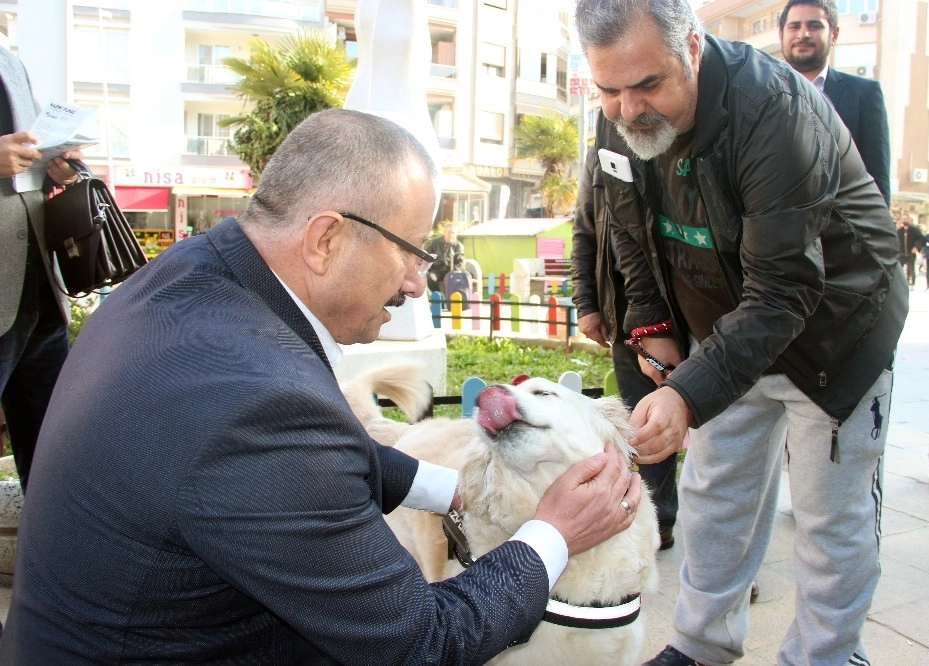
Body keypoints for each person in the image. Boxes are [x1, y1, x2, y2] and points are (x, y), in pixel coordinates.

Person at [0, 109, 643, 664]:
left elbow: (314, 457)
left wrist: (457, 487)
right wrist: (553, 534)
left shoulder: (191, 276)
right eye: (413, 250)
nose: (419, 282)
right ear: (326, 239)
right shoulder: (261, 402)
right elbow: (420, 643)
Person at [574, 1, 907, 664]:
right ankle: (701, 644)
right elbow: (632, 238)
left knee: (828, 519)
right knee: (715, 499)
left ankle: (829, 654)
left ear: (692, 48)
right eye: (608, 89)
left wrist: (689, 393)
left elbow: (784, 292)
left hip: (836, 332)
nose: (629, 110)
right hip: (728, 328)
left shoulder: (775, 111)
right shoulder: (618, 124)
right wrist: (655, 325)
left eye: (648, 85)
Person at [572, 144, 679, 551]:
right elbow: (584, 230)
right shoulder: (602, 147)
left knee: (713, 441)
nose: (625, 104)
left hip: (688, 315)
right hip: (625, 319)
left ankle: (718, 552)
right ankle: (654, 522)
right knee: (645, 429)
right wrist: (587, 304)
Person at [0, 45, 82, 493]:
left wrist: (53, 171)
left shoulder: (13, 61)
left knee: (52, 460)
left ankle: (50, 557)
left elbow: (20, 167)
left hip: (36, 290)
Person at [778, 0, 891, 205]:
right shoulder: (756, 92)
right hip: (770, 228)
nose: (803, 34)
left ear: (834, 34)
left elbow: (877, 182)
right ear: (781, 35)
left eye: (814, 25)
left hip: (839, 230)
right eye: (794, 26)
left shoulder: (865, 95)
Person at [426, 221, 465, 294]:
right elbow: (427, 257)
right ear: (444, 233)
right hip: (437, 270)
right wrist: (429, 269)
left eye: (453, 233)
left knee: (453, 279)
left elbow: (461, 263)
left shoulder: (459, 246)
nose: (451, 235)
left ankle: (452, 300)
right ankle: (438, 297)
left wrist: (452, 272)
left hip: (452, 271)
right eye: (449, 232)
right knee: (430, 278)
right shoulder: (434, 243)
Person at [897, 214, 925, 289]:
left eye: (906, 218)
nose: (905, 220)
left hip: (911, 253)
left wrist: (916, 247)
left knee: (911, 269)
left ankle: (913, 283)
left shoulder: (914, 230)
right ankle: (900, 284)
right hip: (901, 253)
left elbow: (921, 239)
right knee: (898, 269)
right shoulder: (899, 231)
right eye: (903, 219)